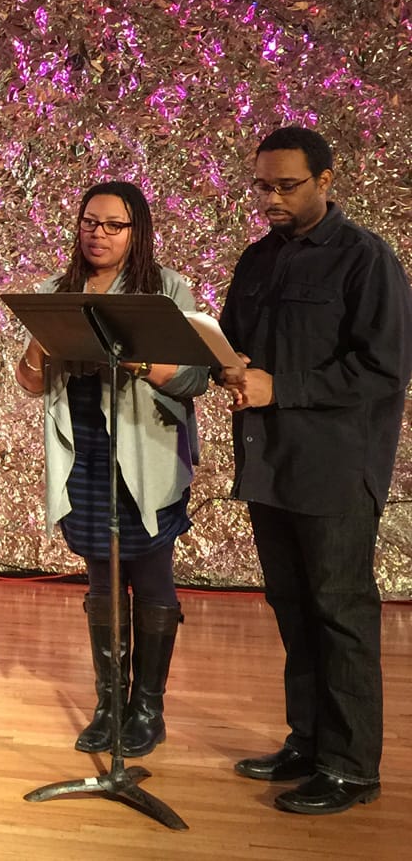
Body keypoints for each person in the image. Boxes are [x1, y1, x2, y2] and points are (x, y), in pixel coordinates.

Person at [220, 126, 412, 814]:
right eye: (262, 185)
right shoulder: (259, 258)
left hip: (334, 468)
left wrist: (282, 387)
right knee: (295, 611)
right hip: (268, 464)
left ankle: (353, 766)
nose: (270, 197)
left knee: (341, 615)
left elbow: (384, 368)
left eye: (286, 185)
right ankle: (308, 740)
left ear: (327, 180)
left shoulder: (366, 260)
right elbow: (234, 337)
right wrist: (217, 359)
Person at [14, 181, 209, 758]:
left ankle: (147, 709)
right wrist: (41, 346)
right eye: (88, 222)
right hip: (86, 454)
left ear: (136, 231)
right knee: (101, 577)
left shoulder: (166, 290)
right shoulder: (56, 292)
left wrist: (140, 361)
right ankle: (108, 706)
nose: (97, 234)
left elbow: (198, 378)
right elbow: (28, 382)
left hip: (145, 455)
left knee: (149, 573)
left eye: (112, 225)